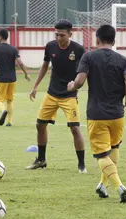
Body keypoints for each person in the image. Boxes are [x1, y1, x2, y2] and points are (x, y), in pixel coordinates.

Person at [67, 24, 126, 203]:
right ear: (114, 40)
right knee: (114, 148)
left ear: (97, 39)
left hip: (97, 114)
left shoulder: (88, 57)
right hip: (117, 114)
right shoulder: (123, 60)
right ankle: (102, 185)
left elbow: (80, 82)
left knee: (101, 155)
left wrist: (72, 85)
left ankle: (119, 186)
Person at [27, 19, 87, 173]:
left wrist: (76, 86)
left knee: (75, 129)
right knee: (40, 125)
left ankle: (81, 165)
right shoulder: (50, 46)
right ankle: (41, 160)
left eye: (61, 35)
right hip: (52, 94)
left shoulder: (79, 50)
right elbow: (45, 66)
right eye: (56, 35)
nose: (58, 38)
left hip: (70, 95)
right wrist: (35, 87)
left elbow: (84, 72)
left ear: (70, 34)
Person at [0, 28, 30, 126]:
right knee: (10, 100)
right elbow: (20, 62)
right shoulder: (13, 49)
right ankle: (9, 121)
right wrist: (26, 73)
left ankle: (3, 111)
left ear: (0, 37)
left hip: (2, 79)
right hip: (12, 79)